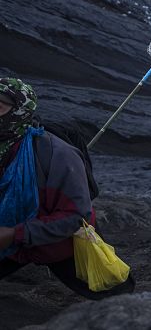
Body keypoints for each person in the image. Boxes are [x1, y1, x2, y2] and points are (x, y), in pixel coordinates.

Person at [0, 77, 134, 299]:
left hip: (58, 244)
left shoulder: (56, 154)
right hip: (10, 245)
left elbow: (75, 215)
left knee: (117, 296)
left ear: (20, 112)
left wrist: (15, 233)